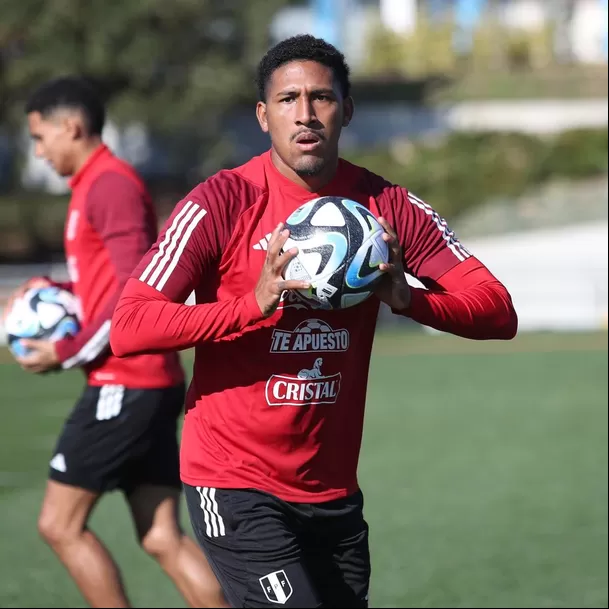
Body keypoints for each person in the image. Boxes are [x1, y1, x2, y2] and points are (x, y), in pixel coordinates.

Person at [110, 35, 518, 608]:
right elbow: (130, 327)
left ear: (347, 110)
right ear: (263, 115)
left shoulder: (386, 207)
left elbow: (498, 310)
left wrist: (408, 300)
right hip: (234, 482)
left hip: (332, 492)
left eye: (321, 97)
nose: (305, 114)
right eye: (287, 99)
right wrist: (252, 305)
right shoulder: (221, 201)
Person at [9, 76, 226, 608]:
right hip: (145, 383)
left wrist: (64, 351)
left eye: (40, 138)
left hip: (125, 384)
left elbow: (136, 292)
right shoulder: (93, 186)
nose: (38, 151)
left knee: (58, 525)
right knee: (161, 537)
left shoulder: (110, 184)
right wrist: (52, 289)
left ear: (71, 127)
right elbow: (105, 284)